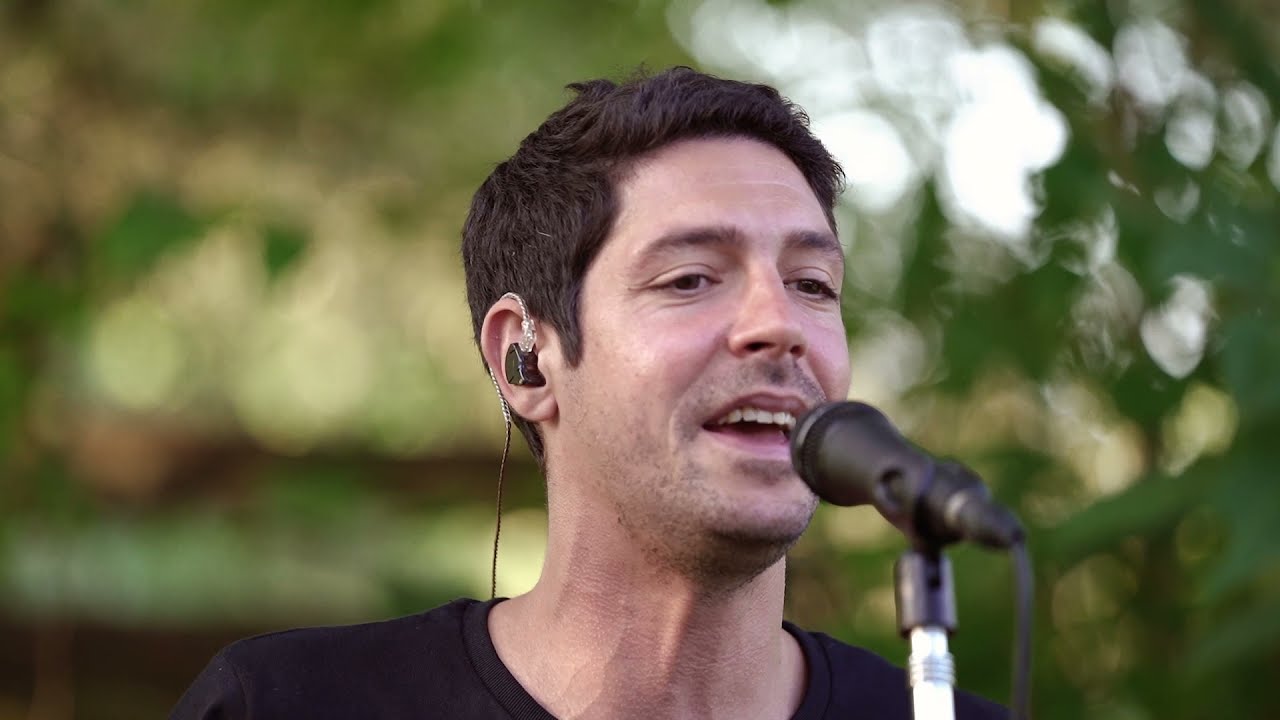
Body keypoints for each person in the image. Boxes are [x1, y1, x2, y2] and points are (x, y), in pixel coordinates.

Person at [170, 67, 1006, 719]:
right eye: (690, 278)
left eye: (813, 285)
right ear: (526, 361)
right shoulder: (286, 705)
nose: (779, 323)